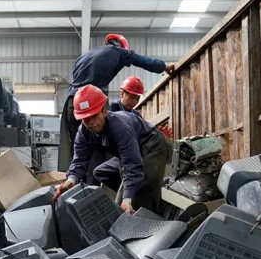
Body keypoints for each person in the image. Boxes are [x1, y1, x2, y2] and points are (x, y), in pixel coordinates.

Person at [58, 34, 174, 170]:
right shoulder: (117, 52)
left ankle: (77, 182)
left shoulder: (84, 57)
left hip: (73, 104)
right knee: (100, 150)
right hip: (92, 103)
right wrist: (164, 67)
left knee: (78, 150)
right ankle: (98, 186)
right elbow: (142, 60)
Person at [53, 85, 169, 214]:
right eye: (85, 118)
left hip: (152, 147)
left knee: (136, 197)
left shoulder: (120, 127)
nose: (90, 122)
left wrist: (127, 198)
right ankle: (132, 192)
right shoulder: (84, 132)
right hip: (131, 151)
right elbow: (79, 161)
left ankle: (145, 208)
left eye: (93, 116)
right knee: (101, 172)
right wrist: (70, 181)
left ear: (104, 112)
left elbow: (132, 164)